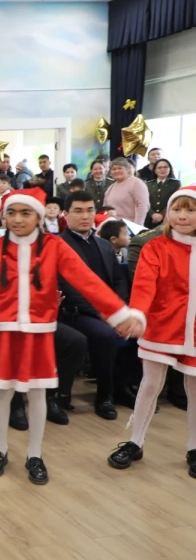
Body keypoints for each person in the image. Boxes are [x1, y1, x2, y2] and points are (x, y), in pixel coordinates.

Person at [0, 189, 144, 485]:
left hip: (38, 333)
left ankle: (35, 454)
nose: (17, 219)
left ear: (39, 216)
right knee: (3, 392)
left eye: (26, 213)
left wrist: (119, 313)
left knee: (38, 393)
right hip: (4, 332)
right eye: (11, 213)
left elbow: (86, 280)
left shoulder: (54, 246)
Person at [108, 186, 196, 475]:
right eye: (177, 209)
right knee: (150, 384)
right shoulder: (155, 247)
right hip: (161, 326)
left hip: (195, 331)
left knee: (195, 390)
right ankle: (135, 441)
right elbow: (144, 286)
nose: (182, 215)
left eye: (190, 210)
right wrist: (138, 315)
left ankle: (194, 448)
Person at [60, 191, 132, 418]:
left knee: (139, 330)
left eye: (90, 210)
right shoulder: (59, 245)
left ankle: (122, 386)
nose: (85, 216)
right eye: (78, 211)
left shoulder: (103, 245)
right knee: (105, 335)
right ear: (65, 214)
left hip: (109, 311)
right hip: (75, 312)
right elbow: (69, 289)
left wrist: (121, 310)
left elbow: (118, 280)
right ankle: (104, 395)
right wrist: (106, 314)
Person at [104, 157, 150, 225]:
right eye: (114, 169)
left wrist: (137, 226)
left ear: (127, 169)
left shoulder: (136, 183)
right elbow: (105, 208)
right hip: (112, 226)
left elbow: (143, 206)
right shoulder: (110, 187)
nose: (117, 171)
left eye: (120, 168)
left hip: (130, 226)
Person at [144, 158, 180, 228]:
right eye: (159, 168)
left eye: (165, 167)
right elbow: (144, 202)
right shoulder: (148, 184)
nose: (163, 170)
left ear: (170, 169)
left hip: (168, 218)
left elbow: (175, 201)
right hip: (149, 220)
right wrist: (152, 214)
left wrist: (162, 214)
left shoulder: (175, 184)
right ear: (155, 170)